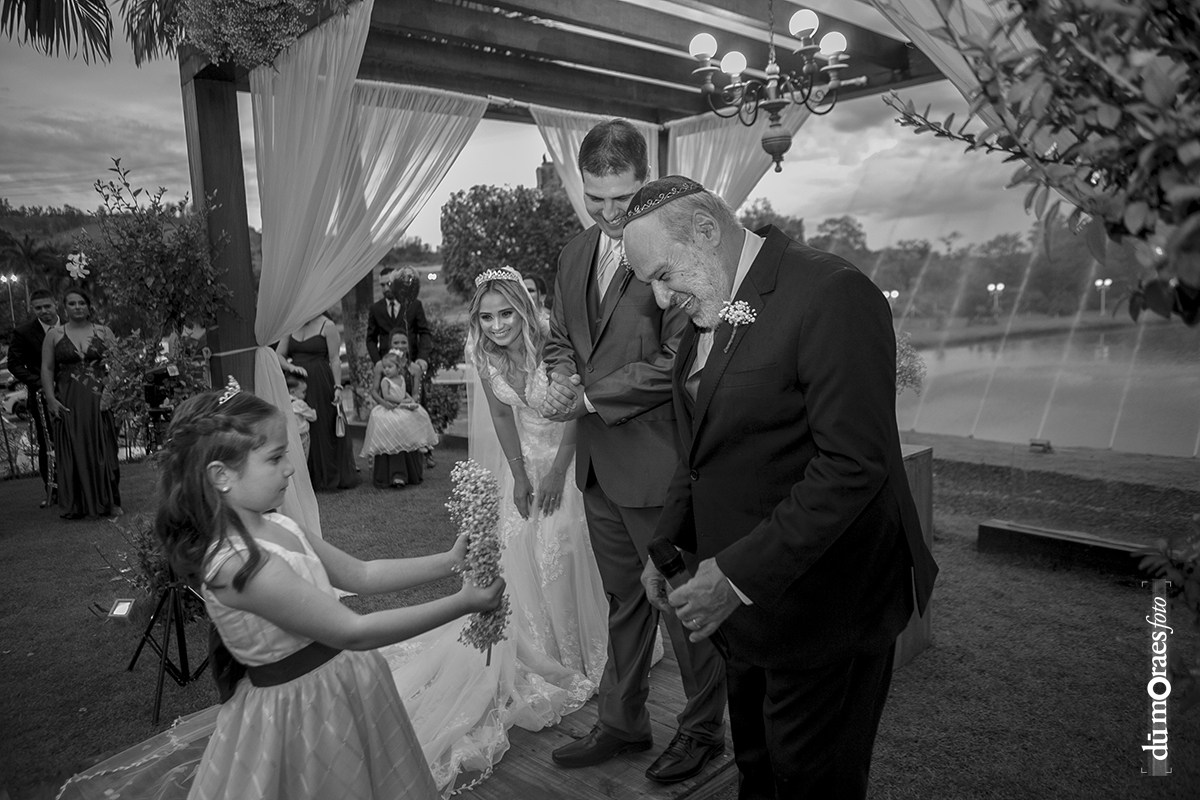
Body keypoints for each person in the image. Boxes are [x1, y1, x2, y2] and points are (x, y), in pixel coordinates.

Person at [622, 176, 939, 800]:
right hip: (745, 613)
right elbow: (702, 451)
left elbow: (853, 464)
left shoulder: (832, 292)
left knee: (812, 782)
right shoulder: (711, 302)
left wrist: (733, 576)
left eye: (663, 274)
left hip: (824, 608)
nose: (660, 299)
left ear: (706, 232)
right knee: (759, 769)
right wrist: (668, 544)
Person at [149, 382, 505, 799]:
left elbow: (362, 575)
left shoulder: (278, 523)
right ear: (221, 476)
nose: (290, 468)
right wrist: (463, 603)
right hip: (302, 712)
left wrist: (449, 561)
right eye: (276, 458)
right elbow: (353, 630)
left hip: (346, 684)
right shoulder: (236, 565)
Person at [540, 120, 727, 783]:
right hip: (597, 470)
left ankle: (703, 731)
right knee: (623, 601)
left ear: (645, 179)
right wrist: (561, 375)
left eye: (623, 198)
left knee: (682, 602)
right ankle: (623, 723)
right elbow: (561, 336)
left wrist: (590, 400)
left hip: (659, 467)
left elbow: (682, 356)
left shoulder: (674, 251)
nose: (610, 213)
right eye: (596, 199)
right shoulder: (572, 254)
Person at [380, 267, 609, 794]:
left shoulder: (554, 341)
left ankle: (579, 653)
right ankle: (538, 648)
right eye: (487, 317)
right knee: (520, 552)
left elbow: (578, 409)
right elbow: (504, 418)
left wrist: (556, 472)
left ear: (524, 310)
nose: (498, 325)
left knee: (563, 549)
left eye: (506, 313)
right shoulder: (483, 354)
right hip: (524, 461)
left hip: (570, 458)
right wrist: (521, 475)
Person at [40, 286, 120, 519]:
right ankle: (76, 505)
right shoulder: (54, 335)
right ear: (64, 308)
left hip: (99, 397)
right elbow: (47, 368)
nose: (77, 307)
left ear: (88, 306)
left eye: (81, 303)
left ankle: (109, 501)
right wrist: (51, 399)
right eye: (72, 303)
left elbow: (117, 364)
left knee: (104, 447)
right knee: (73, 448)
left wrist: (109, 393)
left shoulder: (104, 331)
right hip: (68, 398)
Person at [277, 313, 359, 491]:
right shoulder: (290, 324)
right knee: (297, 424)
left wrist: (338, 386)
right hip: (295, 383)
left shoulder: (327, 325)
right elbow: (279, 355)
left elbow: (335, 359)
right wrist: (291, 367)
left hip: (320, 381)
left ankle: (326, 475)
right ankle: (303, 476)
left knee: (322, 424)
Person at [9, 288, 59, 506]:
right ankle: (53, 490)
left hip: (74, 392)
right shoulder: (24, 333)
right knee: (48, 444)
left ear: (56, 304)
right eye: (38, 308)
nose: (44, 311)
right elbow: (14, 364)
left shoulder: (70, 326)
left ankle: (79, 486)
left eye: (47, 306)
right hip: (41, 397)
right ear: (33, 309)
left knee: (75, 440)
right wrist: (41, 383)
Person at [360, 350, 438, 488]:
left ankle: (420, 442)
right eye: (385, 367)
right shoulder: (385, 381)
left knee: (419, 414)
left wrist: (409, 400)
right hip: (390, 407)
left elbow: (405, 392)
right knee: (395, 422)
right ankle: (395, 466)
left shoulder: (401, 378)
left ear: (398, 367)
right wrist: (401, 401)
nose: (386, 370)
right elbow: (387, 396)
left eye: (390, 367)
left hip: (401, 406)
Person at [286, 374, 317, 459]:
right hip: (302, 435)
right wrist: (314, 411)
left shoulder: (285, 402)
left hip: (290, 435)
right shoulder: (299, 404)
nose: (305, 395)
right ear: (293, 392)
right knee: (303, 456)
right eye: (303, 392)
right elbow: (313, 417)